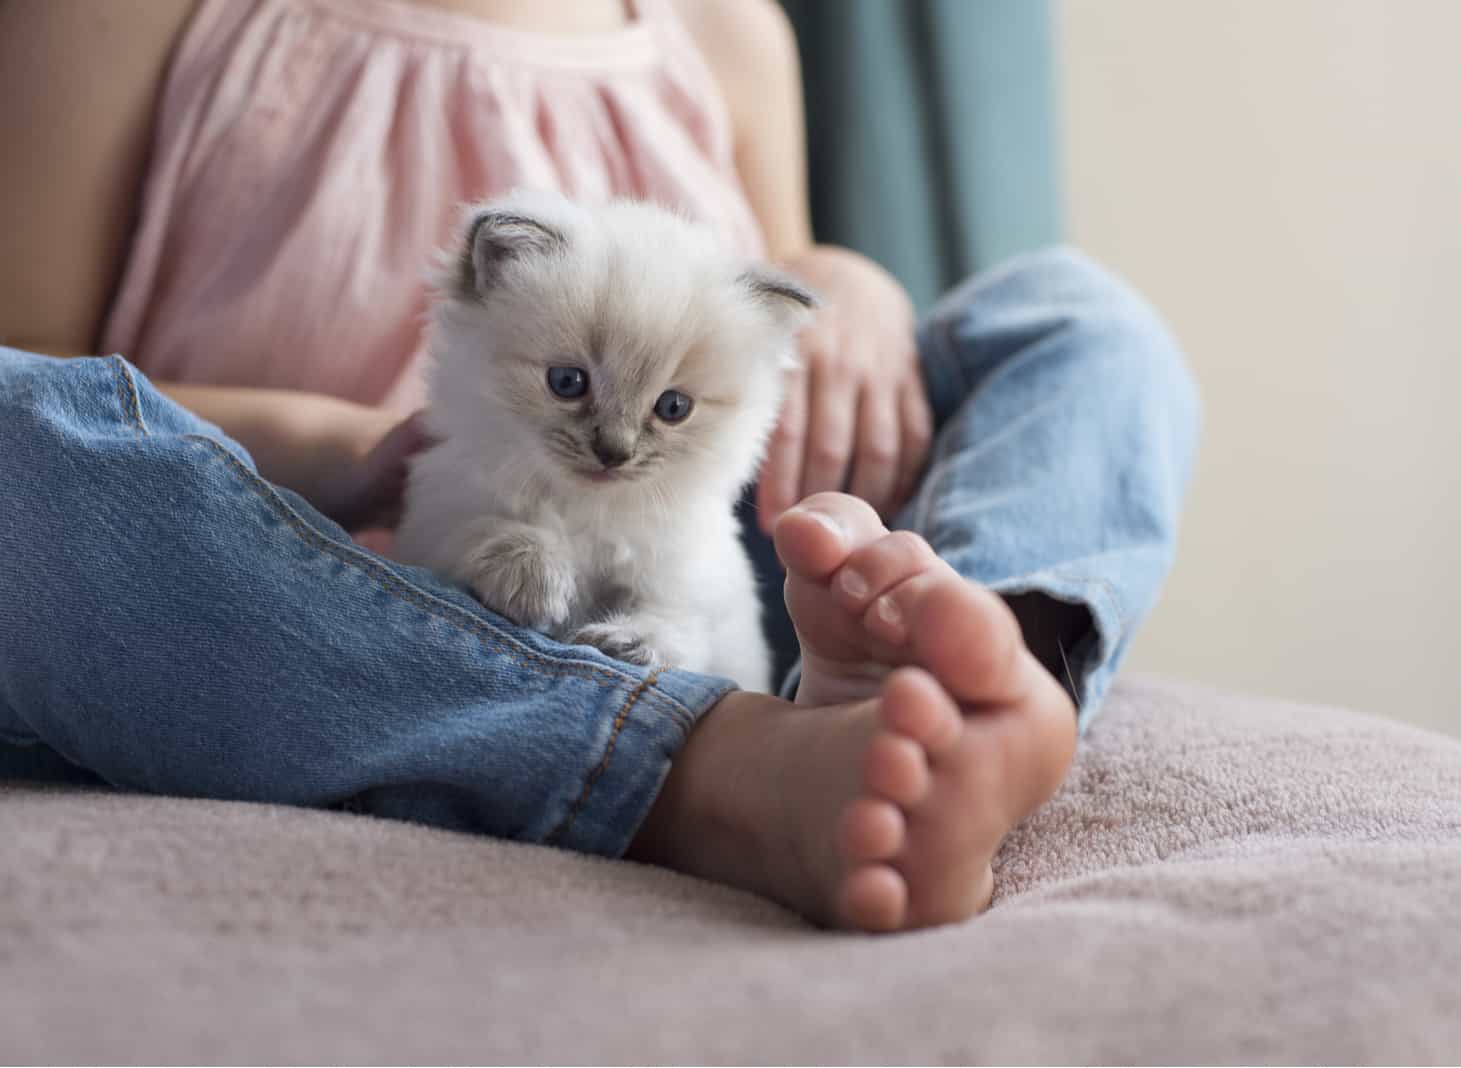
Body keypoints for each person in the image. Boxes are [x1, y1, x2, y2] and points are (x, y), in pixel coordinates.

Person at [0, 0, 1199, 932]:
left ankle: (943, 687)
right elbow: (37, 378)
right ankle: (711, 767)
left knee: (1075, 324)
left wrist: (854, 286)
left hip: (705, 582)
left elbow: (771, 310)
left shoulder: (723, 31)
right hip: (317, 609)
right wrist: (348, 453)